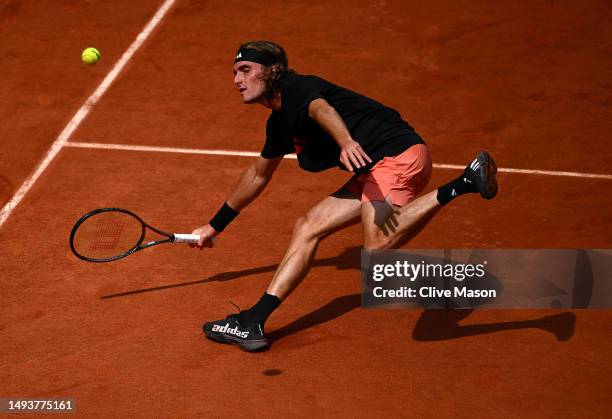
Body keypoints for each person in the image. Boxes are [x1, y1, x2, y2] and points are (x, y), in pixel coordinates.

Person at [191, 40, 498, 352]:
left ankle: (463, 182)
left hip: (397, 156)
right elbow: (258, 174)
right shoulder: (279, 122)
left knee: (376, 248)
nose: (237, 80)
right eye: (234, 73)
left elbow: (321, 109)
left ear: (272, 72)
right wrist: (215, 226)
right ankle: (254, 322)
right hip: (373, 169)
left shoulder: (296, 87)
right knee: (308, 226)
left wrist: (346, 141)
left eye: (245, 70)